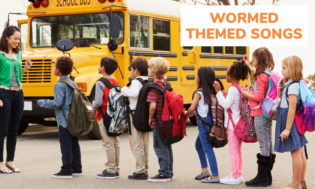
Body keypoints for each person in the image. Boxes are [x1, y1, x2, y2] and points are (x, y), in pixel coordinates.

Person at [38, 56, 82, 179]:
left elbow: (58, 103)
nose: (53, 69)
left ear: (59, 70)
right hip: (74, 118)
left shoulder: (59, 85)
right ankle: (77, 168)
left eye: (54, 66)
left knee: (65, 145)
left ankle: (66, 169)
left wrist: (42, 102)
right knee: (74, 143)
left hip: (64, 120)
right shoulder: (72, 83)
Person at [242, 47, 276, 187]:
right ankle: (267, 176)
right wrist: (252, 89)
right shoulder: (268, 74)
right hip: (266, 112)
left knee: (263, 143)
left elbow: (259, 97)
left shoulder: (261, 76)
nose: (252, 60)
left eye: (254, 58)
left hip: (260, 113)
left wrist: (245, 94)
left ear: (259, 59)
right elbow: (260, 92)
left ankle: (262, 177)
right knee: (268, 141)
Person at [0, 26, 32, 174]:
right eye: (15, 38)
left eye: (19, 39)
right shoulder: (0, 55)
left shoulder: (19, 55)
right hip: (3, 93)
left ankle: (10, 161)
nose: (17, 42)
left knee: (14, 130)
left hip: (18, 93)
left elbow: (18, 76)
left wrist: (25, 68)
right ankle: (0, 163)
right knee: (2, 130)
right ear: (7, 37)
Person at [214, 60, 251, 185]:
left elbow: (225, 104)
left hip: (233, 125)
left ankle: (235, 176)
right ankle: (237, 174)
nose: (225, 75)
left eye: (227, 73)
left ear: (232, 75)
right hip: (239, 123)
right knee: (238, 150)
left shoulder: (232, 89)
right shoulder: (239, 88)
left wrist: (218, 92)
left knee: (233, 150)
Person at [275, 56, 307, 189]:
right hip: (295, 121)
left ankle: (295, 183)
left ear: (292, 69)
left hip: (290, 122)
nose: (281, 70)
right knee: (299, 151)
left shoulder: (293, 86)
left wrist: (287, 129)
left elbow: (292, 108)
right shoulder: (295, 84)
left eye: (284, 68)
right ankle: (301, 181)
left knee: (295, 152)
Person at [186, 66, 220, 183]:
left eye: (196, 75)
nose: (195, 77)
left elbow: (191, 108)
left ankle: (215, 175)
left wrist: (185, 116)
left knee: (208, 149)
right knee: (198, 145)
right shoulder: (212, 92)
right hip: (210, 123)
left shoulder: (198, 93)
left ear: (200, 79)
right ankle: (205, 170)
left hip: (203, 125)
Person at [121, 57, 149, 180]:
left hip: (135, 115)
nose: (131, 72)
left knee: (136, 143)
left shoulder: (136, 82)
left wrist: (124, 89)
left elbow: (133, 93)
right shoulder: (148, 80)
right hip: (145, 115)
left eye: (131, 69)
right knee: (144, 143)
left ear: (136, 71)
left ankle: (140, 170)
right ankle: (144, 167)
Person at [92, 57, 120, 179]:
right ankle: (115, 167)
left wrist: (92, 105)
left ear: (103, 68)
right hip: (114, 115)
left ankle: (111, 169)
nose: (98, 66)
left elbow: (98, 102)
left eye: (99, 65)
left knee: (108, 143)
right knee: (115, 142)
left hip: (103, 115)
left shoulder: (100, 83)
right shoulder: (115, 81)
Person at [146, 57, 172, 182]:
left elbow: (153, 106)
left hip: (158, 121)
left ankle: (164, 173)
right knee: (167, 147)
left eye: (150, 67)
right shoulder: (167, 85)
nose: (148, 69)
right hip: (168, 122)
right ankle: (169, 171)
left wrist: (150, 118)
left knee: (159, 147)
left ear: (155, 71)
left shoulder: (154, 87)